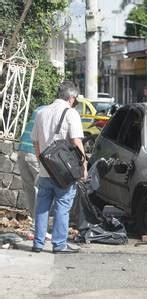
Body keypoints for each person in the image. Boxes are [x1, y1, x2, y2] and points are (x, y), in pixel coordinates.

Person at [31, 81, 87, 254]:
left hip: (45, 169)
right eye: (75, 99)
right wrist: (83, 166)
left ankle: (38, 243)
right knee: (63, 206)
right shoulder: (71, 114)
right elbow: (76, 141)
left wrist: (42, 161)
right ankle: (59, 244)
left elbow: (35, 141)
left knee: (42, 207)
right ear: (71, 97)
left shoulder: (42, 113)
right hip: (64, 172)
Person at [17, 107, 43, 220]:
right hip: (33, 152)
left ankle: (34, 222)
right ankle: (38, 225)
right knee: (41, 189)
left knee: (30, 190)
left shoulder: (39, 109)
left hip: (22, 149)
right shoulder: (53, 113)